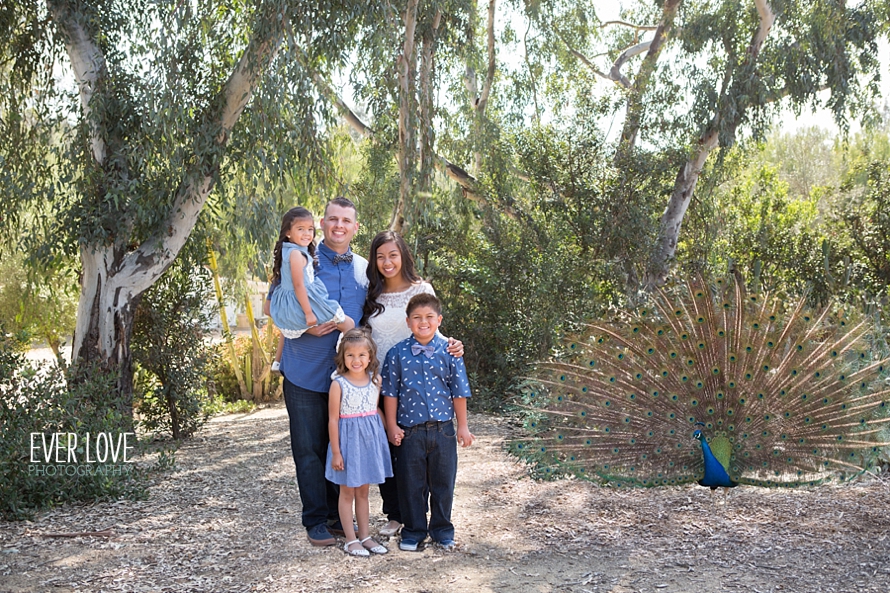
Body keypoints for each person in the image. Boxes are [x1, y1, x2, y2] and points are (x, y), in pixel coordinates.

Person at [275, 197, 368, 547]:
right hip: (304, 370)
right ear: (322, 224)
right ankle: (316, 520)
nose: (339, 226)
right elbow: (275, 304)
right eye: (332, 219)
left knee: (341, 447)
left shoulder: (364, 267)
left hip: (349, 379)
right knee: (309, 449)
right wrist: (299, 327)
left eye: (346, 220)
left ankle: (339, 515)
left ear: (355, 227)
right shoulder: (301, 257)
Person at [362, 230, 463, 537]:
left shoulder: (421, 287)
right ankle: (396, 514)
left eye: (393, 255)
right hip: (381, 380)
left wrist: (453, 346)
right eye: (380, 256)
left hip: (419, 381)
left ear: (404, 255)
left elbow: (430, 322)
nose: (387, 262)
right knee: (389, 447)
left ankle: (429, 519)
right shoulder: (371, 293)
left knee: (421, 454)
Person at [382, 293, 475, 552]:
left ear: (439, 320)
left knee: (443, 483)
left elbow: (459, 391)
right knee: (411, 484)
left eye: (429, 317)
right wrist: (392, 426)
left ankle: (442, 531)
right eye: (417, 318)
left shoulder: (450, 351)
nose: (423, 322)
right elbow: (390, 393)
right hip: (410, 432)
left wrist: (463, 426)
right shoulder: (397, 354)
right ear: (408, 322)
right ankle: (413, 531)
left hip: (443, 430)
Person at [325, 328, 393, 556]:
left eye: (362, 355)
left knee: (363, 492)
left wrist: (388, 432)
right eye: (350, 355)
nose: (356, 360)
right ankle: (351, 540)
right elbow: (333, 420)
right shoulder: (339, 384)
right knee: (347, 492)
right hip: (347, 443)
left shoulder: (376, 380)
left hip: (369, 442)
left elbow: (375, 410)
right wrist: (336, 452)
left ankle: (365, 536)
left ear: (370, 357)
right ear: (343, 357)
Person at [269, 207, 355, 339]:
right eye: (300, 229)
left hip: (297, 300)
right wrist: (308, 313)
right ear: (288, 232)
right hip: (303, 302)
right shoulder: (296, 254)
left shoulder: (291, 251)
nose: (306, 233)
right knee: (349, 324)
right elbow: (298, 285)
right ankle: (344, 350)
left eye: (310, 229)